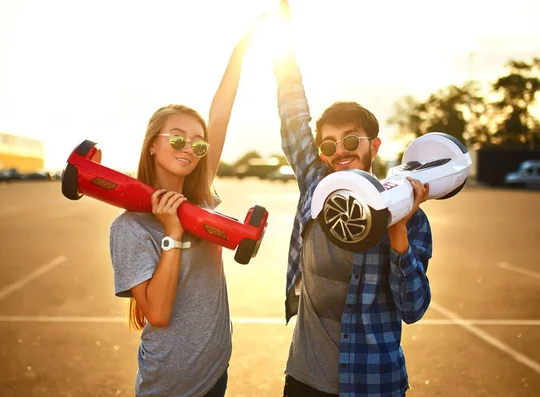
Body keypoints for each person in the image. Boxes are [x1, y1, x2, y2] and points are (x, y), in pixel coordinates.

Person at [273, 2, 432, 396]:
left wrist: (398, 234)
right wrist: (281, 43)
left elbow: (412, 309)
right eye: (329, 143)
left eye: (350, 140)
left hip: (374, 382)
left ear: (373, 145)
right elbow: (293, 114)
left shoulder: (408, 212)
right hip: (305, 379)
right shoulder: (315, 183)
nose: (339, 151)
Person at [108, 20, 256, 397]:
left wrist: (240, 53)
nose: (189, 147)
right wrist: (172, 233)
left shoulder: (202, 199)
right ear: (153, 145)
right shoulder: (129, 228)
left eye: (198, 143)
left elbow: (219, 117)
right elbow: (157, 313)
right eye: (177, 137)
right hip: (171, 385)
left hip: (215, 372)